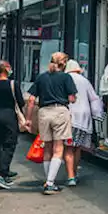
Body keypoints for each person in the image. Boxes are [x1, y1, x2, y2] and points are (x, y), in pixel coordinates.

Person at [28, 52, 78, 195]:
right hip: (60, 112)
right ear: (64, 63)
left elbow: (31, 99)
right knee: (58, 149)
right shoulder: (66, 77)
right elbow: (72, 98)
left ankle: (48, 180)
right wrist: (72, 98)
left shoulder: (41, 77)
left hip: (44, 113)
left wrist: (28, 119)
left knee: (47, 149)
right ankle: (50, 183)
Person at [0, 61, 30, 188]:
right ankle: (2, 174)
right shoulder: (12, 84)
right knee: (9, 144)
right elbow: (20, 102)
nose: (11, 69)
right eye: (9, 67)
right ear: (5, 69)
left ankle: (1, 172)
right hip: (9, 116)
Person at [63, 59, 103, 187]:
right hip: (83, 119)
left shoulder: (64, 78)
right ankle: (74, 173)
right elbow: (94, 99)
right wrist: (98, 116)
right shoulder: (85, 81)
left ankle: (70, 177)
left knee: (68, 148)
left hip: (69, 117)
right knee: (77, 147)